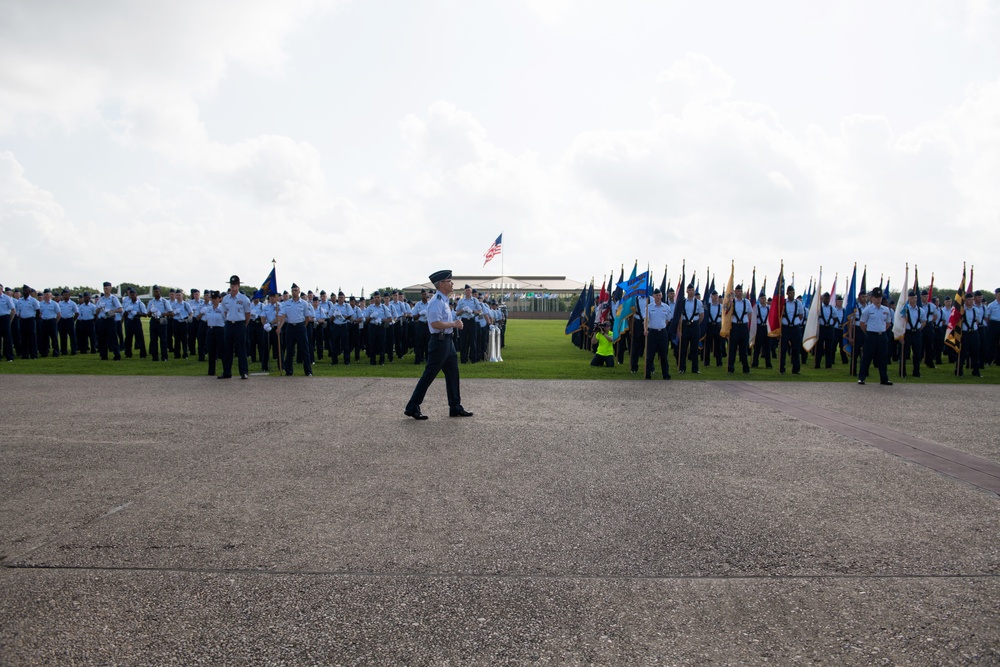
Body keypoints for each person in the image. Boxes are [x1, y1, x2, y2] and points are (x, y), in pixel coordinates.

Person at [404, 270, 472, 420]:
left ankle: (455, 406)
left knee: (453, 374)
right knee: (429, 375)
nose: (452, 283)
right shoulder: (436, 302)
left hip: (448, 341)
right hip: (439, 342)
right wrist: (453, 324)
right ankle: (412, 406)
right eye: (449, 281)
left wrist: (453, 324)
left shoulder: (444, 301)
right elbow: (435, 324)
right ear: (441, 284)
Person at [857, 286, 893, 386]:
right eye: (876, 297)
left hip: (882, 336)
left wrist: (881, 331)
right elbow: (862, 324)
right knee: (867, 357)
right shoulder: (867, 310)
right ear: (872, 298)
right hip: (871, 336)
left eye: (880, 297)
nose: (878, 299)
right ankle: (862, 378)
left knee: (883, 358)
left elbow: (888, 323)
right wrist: (869, 332)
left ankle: (884, 379)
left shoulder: (886, 309)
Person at [220, 275, 253, 379]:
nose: (233, 287)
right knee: (228, 349)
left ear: (238, 286)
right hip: (229, 324)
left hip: (240, 324)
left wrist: (244, 324)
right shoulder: (225, 299)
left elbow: (248, 314)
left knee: (241, 349)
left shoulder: (244, 299)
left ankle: (243, 372)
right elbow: (225, 312)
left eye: (235, 285)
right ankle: (227, 372)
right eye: (231, 285)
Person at [277, 283, 313, 376]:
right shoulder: (287, 303)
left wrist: (302, 326)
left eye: (296, 290)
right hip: (290, 327)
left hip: (300, 327)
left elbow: (307, 317)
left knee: (304, 350)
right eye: (292, 290)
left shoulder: (304, 303)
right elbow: (284, 316)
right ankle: (289, 371)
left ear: (299, 291)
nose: (294, 292)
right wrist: (279, 327)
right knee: (289, 351)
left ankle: (308, 371)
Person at [643, 288, 671, 378]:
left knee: (663, 355)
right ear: (653, 296)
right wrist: (645, 329)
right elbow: (646, 320)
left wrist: (662, 326)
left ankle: (665, 374)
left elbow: (667, 320)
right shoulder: (649, 307)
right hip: (652, 332)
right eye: (656, 295)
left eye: (659, 295)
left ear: (662, 295)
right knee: (650, 355)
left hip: (662, 332)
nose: (658, 297)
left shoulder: (666, 307)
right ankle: (648, 375)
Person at [676, 283, 704, 374]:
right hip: (685, 325)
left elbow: (701, 315)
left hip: (694, 325)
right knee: (683, 347)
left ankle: (695, 369)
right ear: (686, 291)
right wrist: (679, 328)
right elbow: (680, 315)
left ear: (694, 291)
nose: (691, 292)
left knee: (694, 348)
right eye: (689, 290)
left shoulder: (699, 302)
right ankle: (682, 368)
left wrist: (696, 324)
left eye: (692, 290)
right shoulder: (683, 302)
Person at [727, 284, 751, 374]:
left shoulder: (747, 302)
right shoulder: (732, 302)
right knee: (732, 349)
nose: (740, 293)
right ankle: (730, 368)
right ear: (735, 292)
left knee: (744, 349)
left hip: (744, 327)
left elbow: (749, 314)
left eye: (741, 291)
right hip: (735, 326)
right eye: (738, 291)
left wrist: (746, 324)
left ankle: (746, 369)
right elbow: (727, 314)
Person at [95, 281, 122, 361]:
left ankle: (117, 355)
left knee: (113, 338)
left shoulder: (113, 298)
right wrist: (99, 307)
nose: (105, 290)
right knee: (102, 338)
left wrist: (112, 311)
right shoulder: (101, 299)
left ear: (110, 288)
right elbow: (96, 312)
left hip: (110, 320)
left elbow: (120, 309)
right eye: (104, 288)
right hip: (102, 320)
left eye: (107, 288)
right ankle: (103, 356)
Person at [901, 290, 925, 377]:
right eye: (912, 298)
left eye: (915, 298)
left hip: (917, 333)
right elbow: (900, 322)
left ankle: (916, 372)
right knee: (904, 353)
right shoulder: (904, 309)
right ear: (908, 299)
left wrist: (918, 329)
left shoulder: (920, 310)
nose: (914, 300)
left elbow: (924, 321)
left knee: (917, 354)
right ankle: (902, 372)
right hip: (907, 333)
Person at [780, 285, 803, 374]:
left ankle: (796, 369)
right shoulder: (783, 303)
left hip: (795, 328)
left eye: (793, 293)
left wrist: (794, 322)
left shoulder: (798, 303)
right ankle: (782, 368)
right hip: (785, 328)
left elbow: (801, 315)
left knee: (796, 349)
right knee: (783, 348)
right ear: (787, 293)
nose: (792, 294)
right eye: (790, 293)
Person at [959, 292, 982, 377]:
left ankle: (976, 371)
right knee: (963, 353)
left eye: (972, 299)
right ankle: (959, 370)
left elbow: (978, 320)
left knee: (975, 352)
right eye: (969, 299)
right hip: (965, 333)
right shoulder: (962, 310)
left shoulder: (976, 310)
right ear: (965, 301)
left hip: (974, 332)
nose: (971, 301)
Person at [204, 291, 226, 377]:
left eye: (215, 298)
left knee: (222, 351)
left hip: (220, 330)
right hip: (210, 329)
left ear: (219, 299)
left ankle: (226, 369)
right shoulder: (208, 309)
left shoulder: (222, 309)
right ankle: (211, 370)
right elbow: (206, 319)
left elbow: (225, 319)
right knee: (211, 351)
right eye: (212, 299)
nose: (213, 300)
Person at [147, 285, 172, 362]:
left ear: (160, 292)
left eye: (157, 291)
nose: (156, 293)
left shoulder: (164, 301)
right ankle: (155, 357)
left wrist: (161, 314)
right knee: (153, 339)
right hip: (154, 320)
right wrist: (151, 311)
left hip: (162, 320)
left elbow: (171, 313)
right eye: (154, 292)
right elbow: (148, 315)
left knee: (163, 339)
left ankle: (164, 356)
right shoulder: (151, 302)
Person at [455, 284, 480, 363]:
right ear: (464, 291)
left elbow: (480, 311)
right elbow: (457, 313)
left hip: (472, 320)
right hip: (464, 321)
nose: (468, 292)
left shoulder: (475, 300)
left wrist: (472, 311)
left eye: (469, 290)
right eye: (466, 290)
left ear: (471, 291)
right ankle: (463, 359)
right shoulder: (461, 301)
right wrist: (463, 310)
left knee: (473, 340)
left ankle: (473, 359)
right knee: (463, 340)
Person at [122, 288, 148, 358]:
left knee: (140, 338)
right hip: (129, 321)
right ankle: (128, 353)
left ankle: (143, 354)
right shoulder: (127, 304)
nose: (132, 296)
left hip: (136, 321)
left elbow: (145, 314)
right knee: (128, 338)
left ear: (136, 295)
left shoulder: (140, 304)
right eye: (131, 295)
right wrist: (126, 311)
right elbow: (124, 314)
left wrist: (137, 313)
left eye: (133, 295)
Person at [702, 290, 724, 367]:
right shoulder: (707, 306)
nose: (715, 297)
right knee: (707, 345)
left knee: (718, 346)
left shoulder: (721, 307)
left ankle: (719, 363)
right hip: (710, 326)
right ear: (711, 297)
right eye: (714, 296)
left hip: (717, 327)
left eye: (716, 296)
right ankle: (706, 362)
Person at [38, 289, 61, 357]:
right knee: (44, 338)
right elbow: (39, 313)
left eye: (47, 295)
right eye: (45, 295)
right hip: (44, 321)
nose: (46, 296)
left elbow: (59, 314)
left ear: (51, 296)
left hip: (52, 321)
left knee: (54, 338)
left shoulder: (54, 304)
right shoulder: (41, 304)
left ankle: (56, 352)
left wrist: (55, 321)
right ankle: (44, 352)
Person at [752, 289, 772, 368]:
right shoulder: (756, 308)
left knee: (767, 347)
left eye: (764, 298)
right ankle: (755, 363)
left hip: (766, 328)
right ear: (759, 299)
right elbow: (753, 319)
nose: (763, 300)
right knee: (757, 347)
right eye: (762, 298)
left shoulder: (769, 308)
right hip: (759, 327)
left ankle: (768, 363)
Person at [57, 289, 79, 355]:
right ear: (62, 296)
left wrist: (73, 320)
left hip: (70, 320)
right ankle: (64, 351)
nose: (65, 296)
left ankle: (74, 350)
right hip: (62, 320)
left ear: (69, 295)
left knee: (72, 337)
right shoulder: (60, 304)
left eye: (66, 295)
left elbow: (77, 313)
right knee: (63, 336)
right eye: (64, 295)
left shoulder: (73, 303)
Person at [0, 283, 15, 362]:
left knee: (7, 338)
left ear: (2, 290)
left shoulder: (7, 298)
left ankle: (9, 357)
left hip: (5, 318)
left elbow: (13, 310)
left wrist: (10, 320)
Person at [987, 288, 1000, 367]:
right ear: (996, 295)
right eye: (999, 294)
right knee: (991, 343)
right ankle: (989, 360)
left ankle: (998, 360)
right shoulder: (991, 305)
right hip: (993, 324)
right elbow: (988, 317)